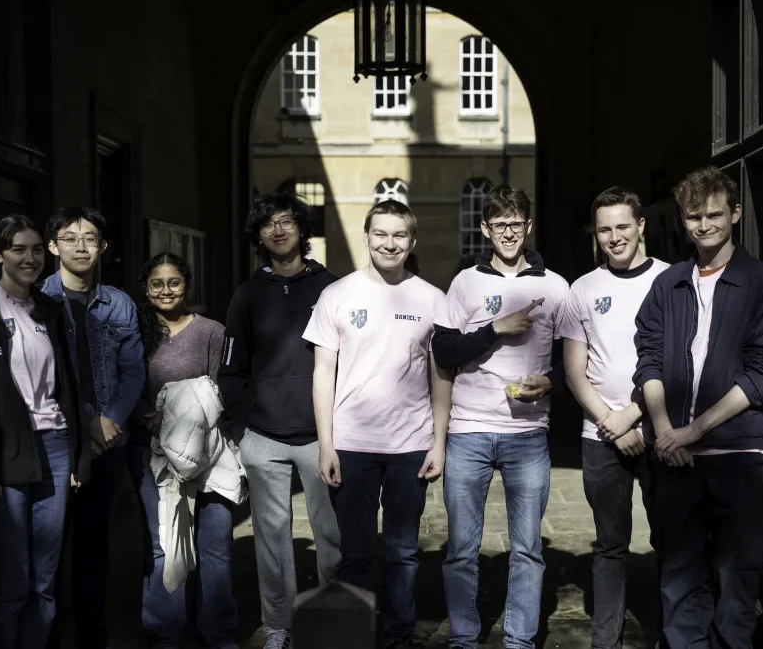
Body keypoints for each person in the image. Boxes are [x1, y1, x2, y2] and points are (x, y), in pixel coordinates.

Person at [634, 167, 763, 648]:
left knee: (736, 579)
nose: (704, 225)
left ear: (735, 214)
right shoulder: (669, 284)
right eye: (694, 217)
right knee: (679, 578)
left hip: (736, 456)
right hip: (675, 456)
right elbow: (649, 360)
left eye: (714, 215)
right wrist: (665, 431)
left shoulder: (761, 283)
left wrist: (694, 429)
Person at [303, 199, 451, 648]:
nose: (390, 243)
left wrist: (438, 443)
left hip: (410, 444)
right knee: (357, 552)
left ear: (412, 241)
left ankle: (398, 636)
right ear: (366, 237)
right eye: (381, 234)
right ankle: (355, 636)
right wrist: (326, 445)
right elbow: (322, 374)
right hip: (352, 444)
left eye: (399, 235)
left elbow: (441, 376)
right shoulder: (337, 295)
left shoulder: (431, 299)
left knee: (404, 553)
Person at [431, 184, 569, 649]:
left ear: (528, 226)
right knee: (461, 551)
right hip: (468, 431)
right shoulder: (466, 282)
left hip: (528, 433)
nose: (509, 233)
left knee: (528, 550)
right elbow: (444, 349)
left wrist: (550, 382)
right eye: (500, 225)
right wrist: (496, 329)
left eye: (517, 223)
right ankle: (464, 638)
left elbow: (574, 361)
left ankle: (519, 640)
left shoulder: (554, 285)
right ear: (485, 229)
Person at [0, 215, 89, 649]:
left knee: (45, 583)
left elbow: (68, 384)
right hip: (4, 454)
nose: (28, 258)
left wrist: (78, 455)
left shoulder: (49, 309)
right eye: (17, 250)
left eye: (33, 249)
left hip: (55, 447)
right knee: (11, 583)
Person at [218, 193, 340, 649]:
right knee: (271, 539)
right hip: (263, 437)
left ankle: (331, 617)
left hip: (320, 437)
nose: (279, 230)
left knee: (331, 535)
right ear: (259, 236)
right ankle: (279, 625)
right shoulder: (248, 294)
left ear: (302, 230)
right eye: (269, 224)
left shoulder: (331, 288)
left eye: (287, 221)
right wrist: (240, 428)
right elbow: (232, 367)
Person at [559, 187, 669, 649]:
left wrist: (633, 416)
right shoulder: (582, 289)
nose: (614, 237)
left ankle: (672, 634)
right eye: (605, 229)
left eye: (623, 226)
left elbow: (682, 363)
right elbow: (573, 370)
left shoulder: (671, 280)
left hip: (661, 431)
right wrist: (610, 420)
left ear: (641, 225)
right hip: (599, 435)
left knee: (672, 543)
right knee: (609, 546)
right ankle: (606, 640)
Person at [40, 206, 145, 649]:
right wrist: (87, 421)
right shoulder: (37, 300)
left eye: (90, 238)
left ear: (102, 246)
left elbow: (133, 370)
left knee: (94, 547)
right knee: (48, 550)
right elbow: (44, 374)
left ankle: (92, 638)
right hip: (54, 440)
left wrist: (110, 420)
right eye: (70, 238)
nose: (81, 246)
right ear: (52, 247)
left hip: (108, 440)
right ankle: (45, 638)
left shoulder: (119, 302)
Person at [127, 252, 240, 648]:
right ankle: (167, 634)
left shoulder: (212, 330)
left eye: (174, 282)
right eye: (156, 283)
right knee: (164, 545)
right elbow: (127, 382)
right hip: (152, 452)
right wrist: (148, 417)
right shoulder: (135, 331)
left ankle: (218, 633)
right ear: (145, 287)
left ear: (187, 285)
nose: (165, 290)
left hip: (208, 452)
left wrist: (189, 420)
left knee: (217, 547)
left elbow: (219, 387)